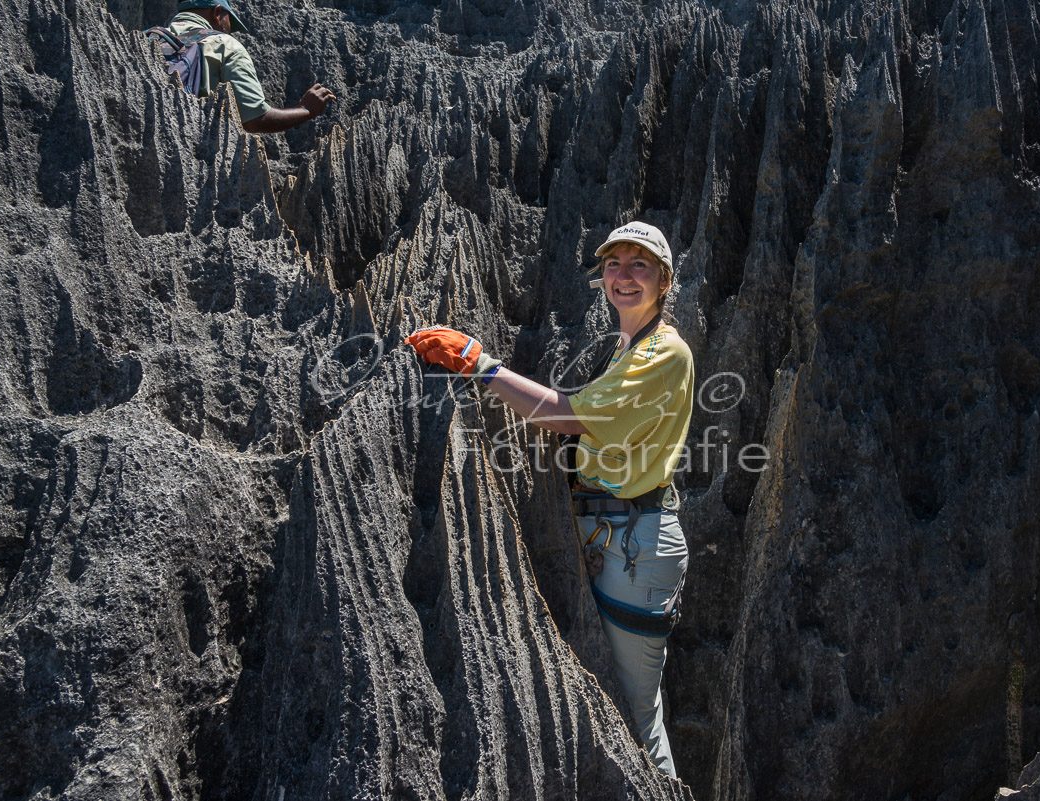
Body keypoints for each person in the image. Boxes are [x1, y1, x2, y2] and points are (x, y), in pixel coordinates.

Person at [405, 222, 694, 779]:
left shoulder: (666, 352)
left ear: (664, 279)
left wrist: (479, 364)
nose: (624, 275)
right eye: (615, 263)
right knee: (616, 702)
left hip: (635, 550)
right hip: (619, 538)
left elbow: (569, 416)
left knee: (636, 717)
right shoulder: (635, 344)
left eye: (640, 264)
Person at [163, 0, 335, 133]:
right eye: (228, 22)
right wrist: (307, 110)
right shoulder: (224, 44)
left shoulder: (145, 39)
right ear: (217, 13)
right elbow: (254, 119)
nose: (228, 31)